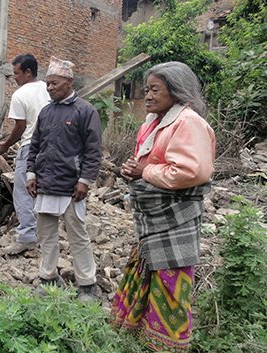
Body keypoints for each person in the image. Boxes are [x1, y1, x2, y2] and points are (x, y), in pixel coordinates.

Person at [111, 61, 215, 352]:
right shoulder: (152, 123)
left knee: (169, 280)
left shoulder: (188, 122)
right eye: (146, 90)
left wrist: (144, 173)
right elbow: (150, 163)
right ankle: (139, 334)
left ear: (177, 91)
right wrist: (133, 168)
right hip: (153, 218)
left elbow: (191, 172)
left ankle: (164, 344)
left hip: (174, 217)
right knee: (147, 268)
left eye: (155, 89)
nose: (148, 96)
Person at [26, 56, 101, 302]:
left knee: (77, 236)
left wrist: (85, 180)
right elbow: (34, 146)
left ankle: (88, 285)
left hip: (71, 187)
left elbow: (93, 151)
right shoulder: (46, 112)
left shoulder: (85, 111)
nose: (49, 88)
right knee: (46, 235)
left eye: (54, 83)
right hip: (46, 185)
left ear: (69, 82)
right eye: (47, 83)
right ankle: (48, 279)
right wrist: (31, 174)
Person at [0, 53, 50, 255]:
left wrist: (6, 144)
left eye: (16, 73)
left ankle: (27, 236)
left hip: (29, 148)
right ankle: (44, 234)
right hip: (50, 150)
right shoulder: (49, 88)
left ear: (28, 72)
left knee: (23, 192)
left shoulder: (20, 94)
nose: (14, 77)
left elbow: (20, 127)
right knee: (43, 192)